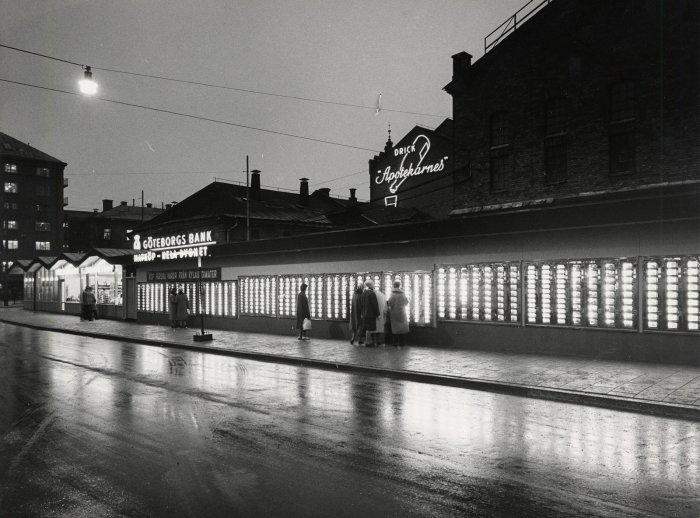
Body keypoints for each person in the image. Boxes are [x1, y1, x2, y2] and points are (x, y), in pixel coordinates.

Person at [387, 280, 409, 347]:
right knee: (402, 328)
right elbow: (406, 303)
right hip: (402, 313)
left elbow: (389, 303)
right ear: (399, 285)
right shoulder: (403, 294)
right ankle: (402, 342)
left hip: (394, 313)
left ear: (393, 285)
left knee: (395, 329)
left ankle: (395, 342)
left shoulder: (392, 294)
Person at [360, 279, 380, 346]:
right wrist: (378, 314)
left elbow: (362, 304)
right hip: (371, 314)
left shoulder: (364, 293)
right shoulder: (372, 293)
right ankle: (369, 342)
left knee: (366, 328)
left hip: (365, 313)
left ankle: (367, 341)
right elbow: (375, 305)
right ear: (371, 285)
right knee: (370, 328)